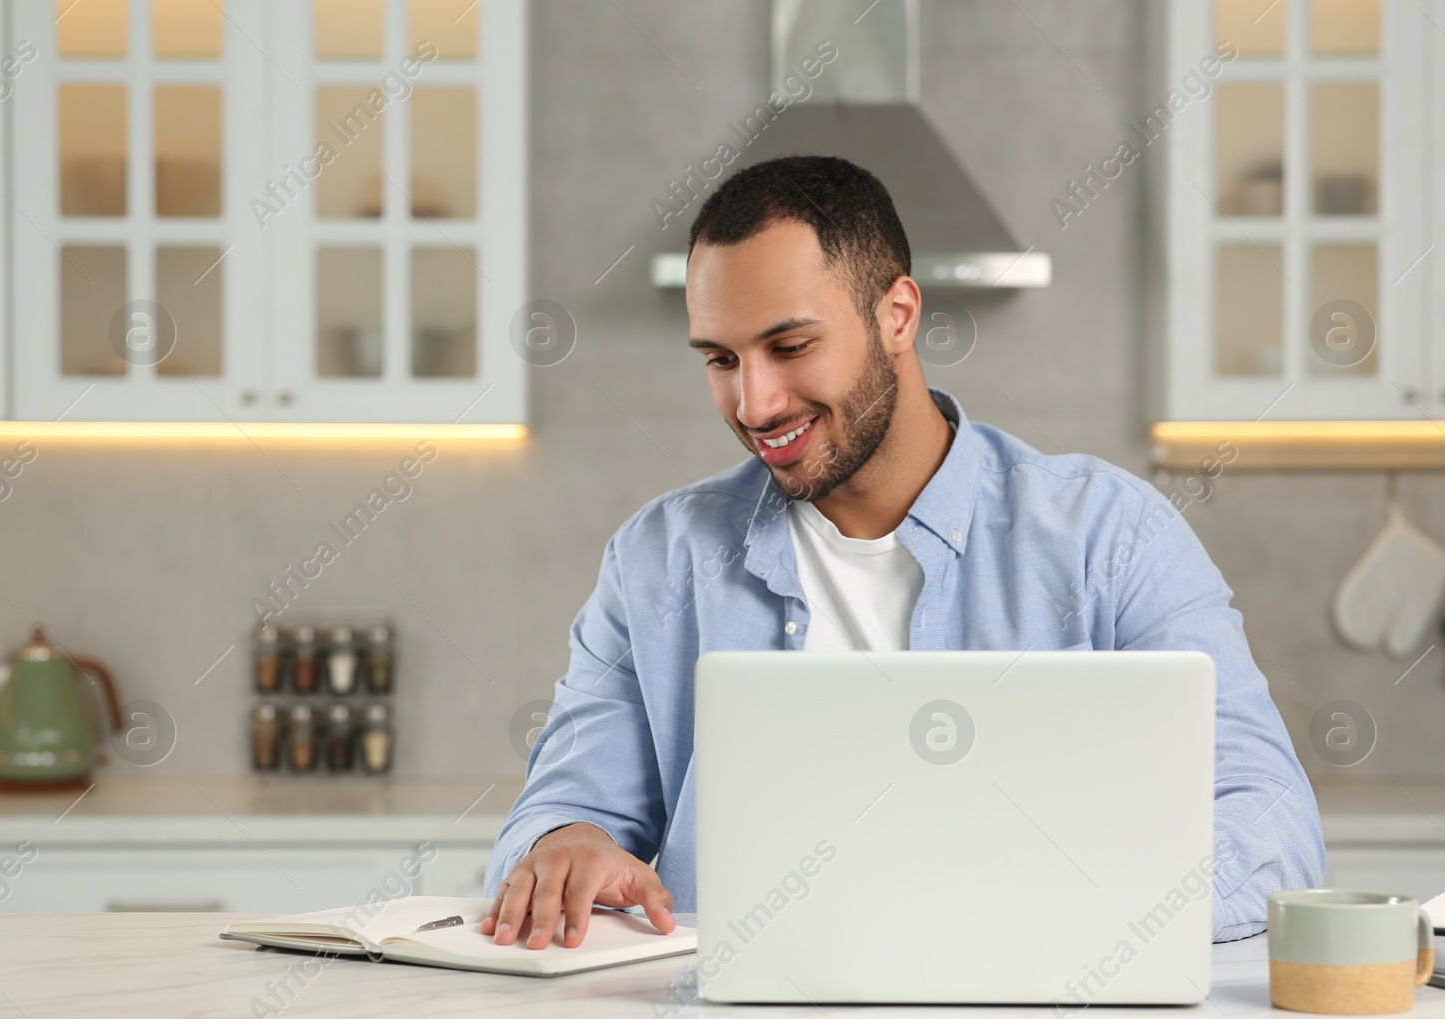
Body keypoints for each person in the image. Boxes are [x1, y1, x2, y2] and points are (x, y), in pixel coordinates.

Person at [481, 155, 1324, 950]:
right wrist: (567, 847)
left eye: (790, 345)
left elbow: (1270, 822)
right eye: (720, 359)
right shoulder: (658, 562)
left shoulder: (1110, 537)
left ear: (898, 315)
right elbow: (562, 808)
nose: (755, 401)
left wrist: (1049, 913)